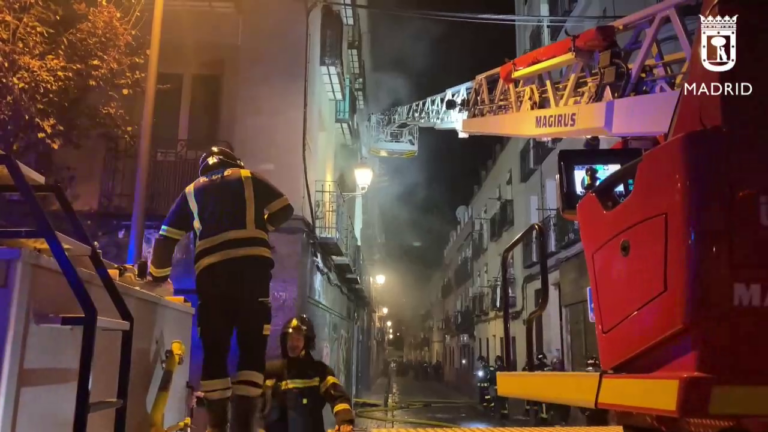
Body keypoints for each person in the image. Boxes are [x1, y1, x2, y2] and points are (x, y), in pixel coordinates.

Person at [147, 146, 294, 432]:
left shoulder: (192, 191)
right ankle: (243, 425)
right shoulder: (248, 177)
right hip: (253, 273)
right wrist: (263, 225)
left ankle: (216, 426)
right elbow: (284, 208)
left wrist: (158, 276)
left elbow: (166, 238)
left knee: (215, 347)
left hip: (212, 276)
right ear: (233, 162)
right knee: (252, 345)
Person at [264, 316, 355, 432]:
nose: (293, 344)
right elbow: (258, 407)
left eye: (298, 339)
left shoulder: (320, 372)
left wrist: (344, 422)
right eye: (290, 339)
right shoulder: (273, 371)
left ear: (306, 343)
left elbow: (339, 397)